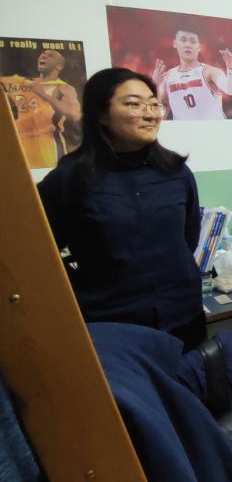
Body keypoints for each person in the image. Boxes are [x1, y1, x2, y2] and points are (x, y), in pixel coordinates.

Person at [37, 67, 206, 350]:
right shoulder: (71, 178)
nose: (150, 114)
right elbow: (38, 254)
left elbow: (187, 239)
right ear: (101, 114)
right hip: (114, 328)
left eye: (154, 104)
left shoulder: (176, 172)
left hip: (184, 317)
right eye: (134, 104)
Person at [1, 49, 82, 168]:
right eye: (43, 54)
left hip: (46, 147)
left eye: (50, 55)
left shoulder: (63, 88)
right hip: (18, 145)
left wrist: (42, 94)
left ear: (59, 66)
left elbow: (74, 115)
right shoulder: (21, 82)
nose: (44, 56)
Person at [154, 25, 232, 120]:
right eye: (183, 40)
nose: (188, 44)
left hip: (211, 129)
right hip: (184, 129)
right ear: (175, 43)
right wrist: (154, 85)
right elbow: (160, 115)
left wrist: (230, 69)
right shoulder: (167, 77)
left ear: (199, 47)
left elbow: (231, 90)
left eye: (192, 41)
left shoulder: (209, 72)